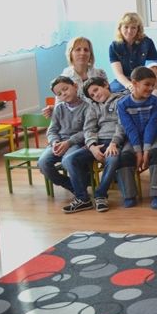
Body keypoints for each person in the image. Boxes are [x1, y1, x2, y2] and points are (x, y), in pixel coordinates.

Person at [62, 77, 127, 214]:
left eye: (96, 90)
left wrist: (114, 143)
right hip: (97, 143)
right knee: (69, 159)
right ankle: (83, 198)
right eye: (92, 95)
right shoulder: (93, 107)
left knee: (112, 159)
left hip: (114, 142)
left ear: (106, 85)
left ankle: (100, 195)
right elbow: (89, 129)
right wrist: (92, 147)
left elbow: (122, 125)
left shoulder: (121, 101)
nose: (96, 95)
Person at [116, 67, 157, 210]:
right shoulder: (122, 104)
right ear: (134, 83)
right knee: (125, 157)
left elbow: (152, 126)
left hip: (153, 137)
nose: (151, 88)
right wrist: (138, 151)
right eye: (147, 84)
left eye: (153, 85)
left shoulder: (156, 102)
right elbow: (129, 128)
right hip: (132, 139)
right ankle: (129, 195)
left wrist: (145, 151)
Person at [38, 76, 89, 208]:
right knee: (43, 163)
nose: (64, 94)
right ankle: (73, 186)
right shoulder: (59, 108)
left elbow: (87, 131)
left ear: (75, 86)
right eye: (59, 94)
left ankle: (82, 197)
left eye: (65, 89)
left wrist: (69, 143)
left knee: (68, 160)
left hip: (76, 143)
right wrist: (54, 142)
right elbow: (52, 130)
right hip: (58, 143)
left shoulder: (87, 107)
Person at [43, 37, 108, 117]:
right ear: (70, 53)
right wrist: (54, 110)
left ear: (90, 54)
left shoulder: (100, 73)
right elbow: (60, 106)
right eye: (78, 49)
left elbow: (108, 98)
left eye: (86, 50)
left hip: (102, 116)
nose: (82, 53)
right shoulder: (63, 79)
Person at [108, 12, 157, 92]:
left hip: (143, 79)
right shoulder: (114, 46)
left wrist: (151, 80)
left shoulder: (147, 42)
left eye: (133, 27)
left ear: (138, 29)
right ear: (120, 28)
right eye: (126, 27)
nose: (129, 31)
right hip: (123, 81)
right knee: (110, 91)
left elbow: (153, 65)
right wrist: (130, 85)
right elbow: (119, 74)